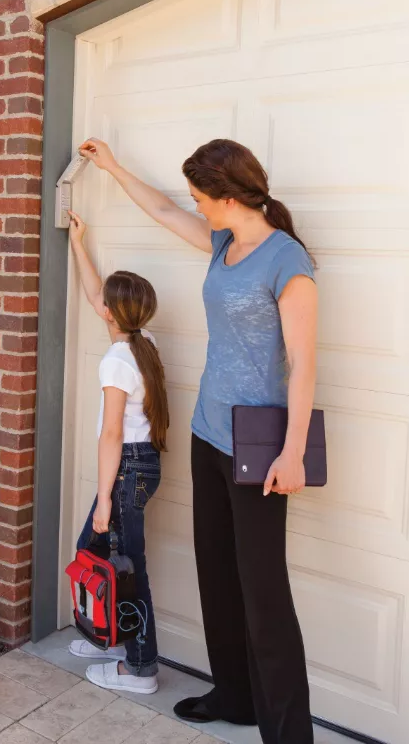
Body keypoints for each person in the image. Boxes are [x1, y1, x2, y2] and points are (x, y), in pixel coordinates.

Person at [79, 138, 317, 744]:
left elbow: (305, 363)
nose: (196, 208)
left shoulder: (287, 261)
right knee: (215, 570)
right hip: (209, 431)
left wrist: (293, 452)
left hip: (260, 446)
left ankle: (288, 734)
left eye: (201, 199)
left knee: (264, 592)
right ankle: (234, 695)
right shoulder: (224, 243)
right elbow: (161, 210)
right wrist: (111, 167)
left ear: (230, 196)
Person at [67, 209, 169, 695]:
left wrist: (105, 498)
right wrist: (78, 242)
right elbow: (95, 294)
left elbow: (110, 434)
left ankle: (141, 667)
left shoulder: (116, 360)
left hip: (126, 469)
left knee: (130, 568)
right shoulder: (142, 341)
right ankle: (110, 636)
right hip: (141, 465)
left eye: (103, 303)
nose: (98, 303)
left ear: (111, 313)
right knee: (93, 553)